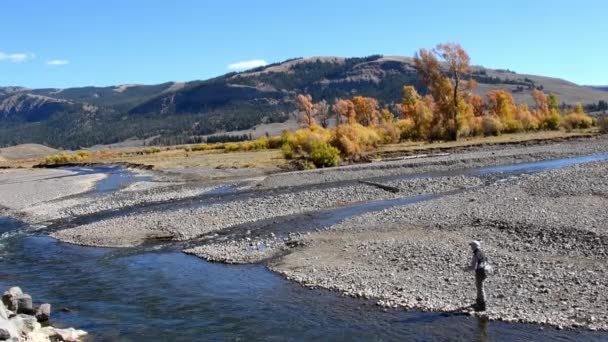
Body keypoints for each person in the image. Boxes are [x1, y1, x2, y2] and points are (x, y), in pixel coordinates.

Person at [467, 240, 488, 311]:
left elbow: (473, 267)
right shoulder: (482, 252)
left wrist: (466, 268)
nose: (471, 247)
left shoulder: (476, 254)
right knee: (480, 286)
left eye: (471, 246)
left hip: (480, 272)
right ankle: (479, 302)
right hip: (485, 271)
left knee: (480, 287)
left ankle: (482, 306)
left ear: (474, 246)